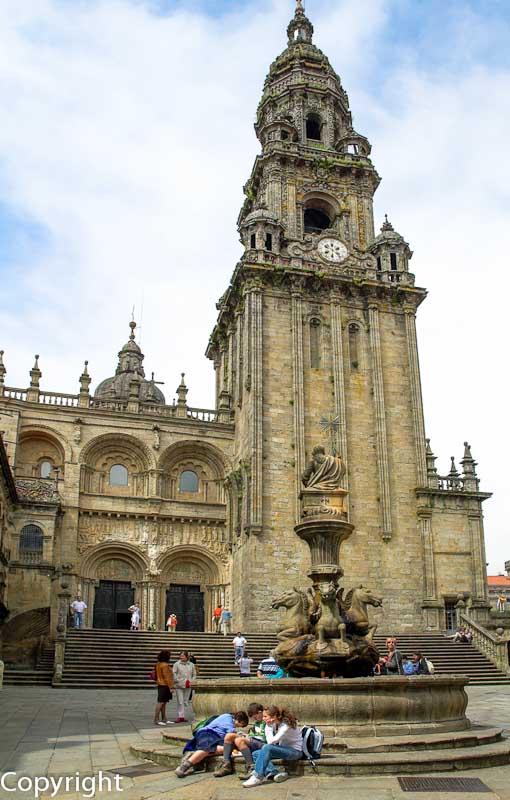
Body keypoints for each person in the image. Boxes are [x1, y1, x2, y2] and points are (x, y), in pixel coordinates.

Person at [175, 710, 249, 778]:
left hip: (216, 738)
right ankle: (185, 766)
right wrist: (245, 737)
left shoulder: (227, 717)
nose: (239, 726)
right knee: (207, 748)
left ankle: (196, 754)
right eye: (241, 724)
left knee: (225, 749)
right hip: (208, 733)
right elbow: (232, 733)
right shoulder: (228, 720)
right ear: (239, 720)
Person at [243, 705, 302, 787]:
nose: (263, 718)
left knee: (267, 748)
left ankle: (258, 776)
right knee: (255, 753)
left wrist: (269, 727)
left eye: (265, 716)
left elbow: (272, 741)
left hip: (295, 752)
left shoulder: (286, 725)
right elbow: (270, 741)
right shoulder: (273, 724)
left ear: (274, 716)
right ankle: (274, 772)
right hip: (283, 750)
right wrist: (269, 726)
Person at [214, 702, 267, 778]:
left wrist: (248, 737)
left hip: (263, 743)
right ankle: (226, 764)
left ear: (260, 712)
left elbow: (263, 737)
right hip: (254, 740)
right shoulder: (257, 723)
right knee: (229, 736)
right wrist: (247, 735)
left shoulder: (267, 720)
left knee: (239, 740)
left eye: (255, 717)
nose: (255, 719)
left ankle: (251, 767)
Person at [172, 651, 196, 723]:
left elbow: (194, 674)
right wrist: (177, 680)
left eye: (183, 656)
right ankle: (181, 716)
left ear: (186, 657)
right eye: (181, 656)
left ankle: (182, 714)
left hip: (188, 684)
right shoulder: (177, 664)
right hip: (179, 685)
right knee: (180, 701)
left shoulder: (191, 664)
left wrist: (191, 681)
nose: (182, 657)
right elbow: (174, 673)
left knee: (185, 701)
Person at [154, 650, 174, 726]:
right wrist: (171, 687)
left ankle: (164, 718)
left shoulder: (158, 664)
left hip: (160, 684)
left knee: (163, 702)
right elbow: (167, 677)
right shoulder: (165, 665)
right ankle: (156, 719)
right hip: (164, 685)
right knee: (161, 702)